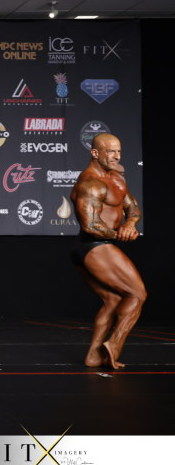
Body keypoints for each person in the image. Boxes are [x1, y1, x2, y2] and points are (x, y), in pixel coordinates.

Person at [71, 133, 145, 370]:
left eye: (118, 151)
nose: (116, 156)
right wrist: (119, 235)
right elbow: (91, 226)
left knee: (112, 301)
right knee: (137, 294)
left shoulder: (116, 178)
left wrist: (130, 224)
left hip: (99, 246)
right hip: (93, 246)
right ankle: (113, 344)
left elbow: (132, 207)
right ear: (95, 153)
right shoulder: (90, 184)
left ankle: (93, 356)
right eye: (111, 151)